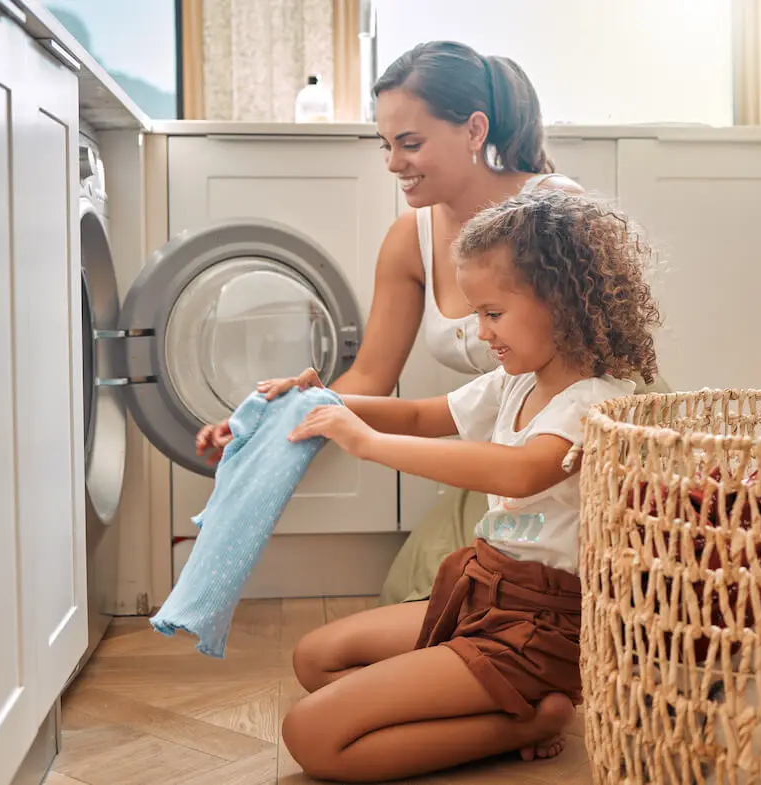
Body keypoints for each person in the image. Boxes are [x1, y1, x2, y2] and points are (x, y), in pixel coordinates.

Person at [195, 40, 669, 606]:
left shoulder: (547, 211)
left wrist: (365, 439)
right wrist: (275, 419)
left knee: (587, 584)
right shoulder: (409, 239)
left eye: (411, 143)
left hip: (599, 440)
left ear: (473, 131)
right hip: (510, 433)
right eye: (387, 146)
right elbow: (371, 376)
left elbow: (598, 349)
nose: (395, 162)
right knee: (412, 594)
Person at [262, 189, 662, 782]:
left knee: (311, 736)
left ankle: (529, 718)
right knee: (316, 659)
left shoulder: (597, 402)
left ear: (563, 303)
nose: (480, 333)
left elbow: (520, 471)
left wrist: (366, 443)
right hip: (482, 589)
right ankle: (509, 714)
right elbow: (425, 416)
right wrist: (325, 400)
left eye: (492, 314)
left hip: (541, 626)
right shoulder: (517, 382)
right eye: (476, 314)